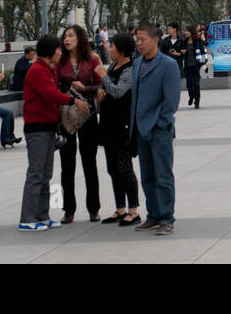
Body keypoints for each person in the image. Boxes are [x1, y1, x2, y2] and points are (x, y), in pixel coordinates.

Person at [18, 35, 86, 232]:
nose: (61, 52)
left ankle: (42, 215)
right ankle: (27, 218)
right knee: (36, 172)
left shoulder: (49, 68)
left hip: (47, 126)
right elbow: (50, 94)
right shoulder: (37, 70)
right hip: (37, 128)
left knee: (45, 173)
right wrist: (74, 101)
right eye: (58, 49)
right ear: (50, 51)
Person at [130, 23, 181, 235]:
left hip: (159, 128)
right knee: (147, 175)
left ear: (155, 40)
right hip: (140, 128)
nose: (139, 43)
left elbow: (172, 101)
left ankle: (167, 217)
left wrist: (159, 121)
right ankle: (153, 215)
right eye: (137, 39)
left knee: (163, 175)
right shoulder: (137, 64)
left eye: (142, 39)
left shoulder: (168, 65)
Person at [57, 24, 103, 224]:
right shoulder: (59, 61)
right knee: (67, 165)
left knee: (89, 162)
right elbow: (54, 85)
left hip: (88, 115)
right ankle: (68, 209)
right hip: (66, 116)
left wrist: (86, 87)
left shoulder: (93, 59)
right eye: (65, 36)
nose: (67, 39)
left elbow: (104, 83)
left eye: (71, 36)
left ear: (80, 38)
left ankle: (93, 208)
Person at [95, 32, 141, 227]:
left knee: (125, 168)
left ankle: (133, 210)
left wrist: (104, 78)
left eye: (112, 46)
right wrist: (100, 89)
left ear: (122, 49)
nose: (108, 49)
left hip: (121, 126)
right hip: (108, 124)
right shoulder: (114, 66)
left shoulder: (129, 69)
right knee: (112, 169)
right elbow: (108, 89)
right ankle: (120, 208)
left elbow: (117, 91)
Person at [182, 25, 206, 109]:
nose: (185, 32)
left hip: (197, 66)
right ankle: (191, 96)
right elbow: (181, 52)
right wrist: (182, 52)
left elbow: (203, 52)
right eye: (185, 31)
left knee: (196, 84)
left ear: (191, 32)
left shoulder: (198, 41)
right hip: (188, 66)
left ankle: (197, 102)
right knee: (189, 85)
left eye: (187, 31)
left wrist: (203, 64)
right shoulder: (184, 42)